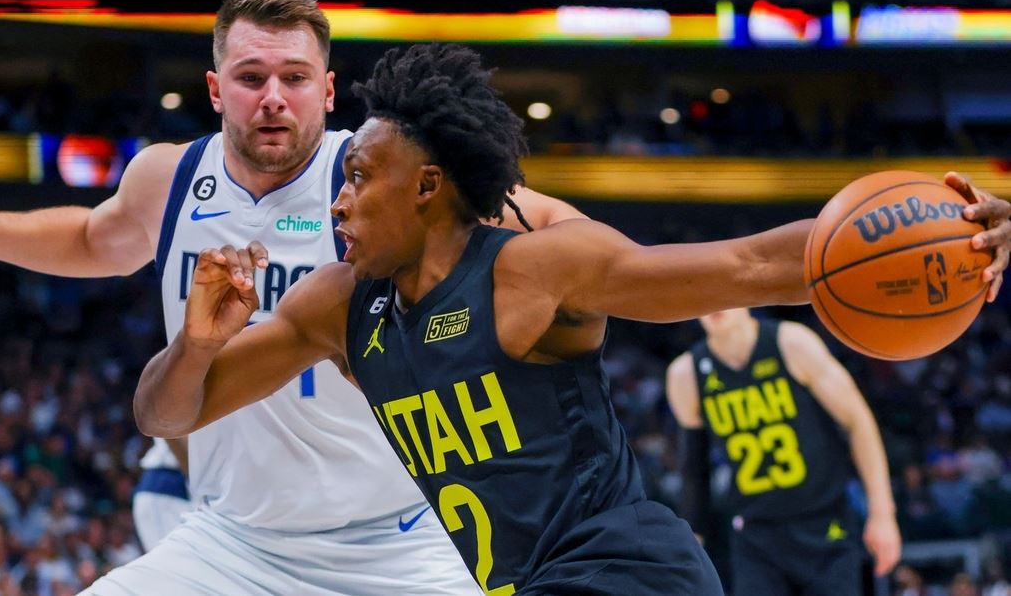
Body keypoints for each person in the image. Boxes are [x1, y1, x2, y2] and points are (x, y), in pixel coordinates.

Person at [129, 45, 1008, 592]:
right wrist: (197, 345)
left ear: (427, 186)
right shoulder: (337, 306)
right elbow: (167, 415)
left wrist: (964, 230)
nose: (337, 200)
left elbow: (750, 264)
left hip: (627, 574)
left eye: (358, 177)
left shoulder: (533, 270)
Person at [0, 0, 579, 595]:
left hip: (397, 540)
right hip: (234, 542)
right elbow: (93, 240)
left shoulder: (381, 177)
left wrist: (604, 295)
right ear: (217, 90)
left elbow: (550, 226)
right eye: (251, 77)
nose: (273, 96)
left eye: (294, 77)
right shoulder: (170, 177)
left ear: (327, 91)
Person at [665, 308, 901, 596]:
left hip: (824, 523)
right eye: (702, 297)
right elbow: (694, 469)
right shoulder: (685, 374)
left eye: (720, 293)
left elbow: (857, 420)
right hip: (755, 535)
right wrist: (692, 541)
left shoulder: (791, 343)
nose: (714, 305)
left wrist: (882, 512)